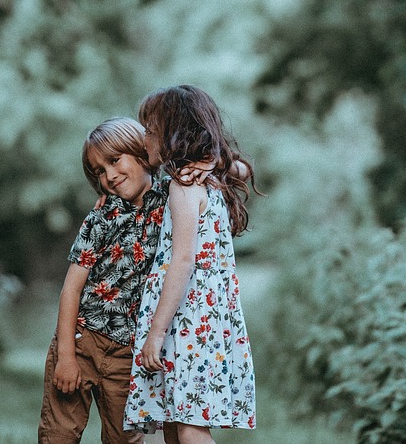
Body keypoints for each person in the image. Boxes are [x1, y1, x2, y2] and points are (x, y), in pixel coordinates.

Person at [38, 117, 217, 444]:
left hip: (130, 353)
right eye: (99, 171)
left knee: (125, 439)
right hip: (82, 341)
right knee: (58, 435)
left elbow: (238, 171)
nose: (109, 176)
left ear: (141, 151)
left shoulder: (173, 196)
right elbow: (71, 289)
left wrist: (208, 164)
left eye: (114, 160)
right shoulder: (102, 216)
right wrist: (65, 355)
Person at [124, 85, 257, 443]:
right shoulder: (210, 179)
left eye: (150, 131)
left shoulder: (184, 187)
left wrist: (156, 333)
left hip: (186, 324)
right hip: (204, 322)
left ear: (172, 135)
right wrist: (215, 160)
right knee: (176, 421)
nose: (144, 141)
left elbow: (182, 262)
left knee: (189, 429)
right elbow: (242, 168)